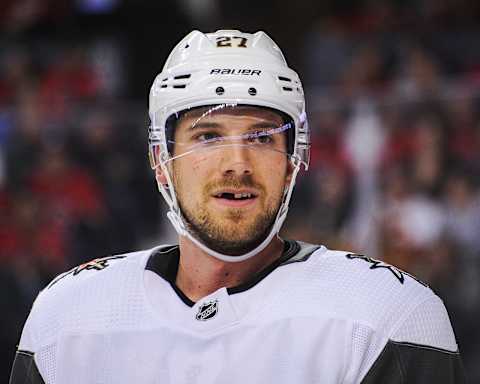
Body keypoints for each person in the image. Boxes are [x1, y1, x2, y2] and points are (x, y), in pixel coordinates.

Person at [10, 30, 465, 384]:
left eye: (262, 137)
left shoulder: (387, 317)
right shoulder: (67, 319)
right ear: (160, 161)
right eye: (208, 136)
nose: (238, 164)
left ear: (293, 162)